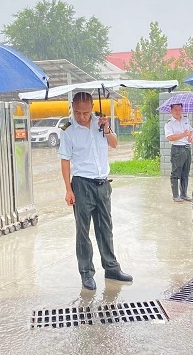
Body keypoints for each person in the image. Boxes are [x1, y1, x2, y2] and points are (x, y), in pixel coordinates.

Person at [59, 92, 133, 291]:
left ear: (92, 107)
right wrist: (68, 189)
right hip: (82, 184)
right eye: (77, 112)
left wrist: (107, 129)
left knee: (105, 228)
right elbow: (65, 161)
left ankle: (111, 268)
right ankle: (86, 273)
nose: (81, 117)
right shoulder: (67, 130)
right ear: (72, 108)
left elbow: (115, 143)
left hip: (102, 184)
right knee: (83, 232)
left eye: (85, 112)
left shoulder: (101, 122)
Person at [164, 103, 193, 202]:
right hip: (177, 149)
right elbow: (170, 137)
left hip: (187, 148)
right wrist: (183, 134)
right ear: (171, 111)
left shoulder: (186, 119)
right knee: (176, 172)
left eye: (180, 109)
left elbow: (191, 131)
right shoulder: (169, 123)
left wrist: (190, 136)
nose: (178, 112)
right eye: (176, 109)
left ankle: (184, 194)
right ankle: (176, 195)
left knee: (185, 172)